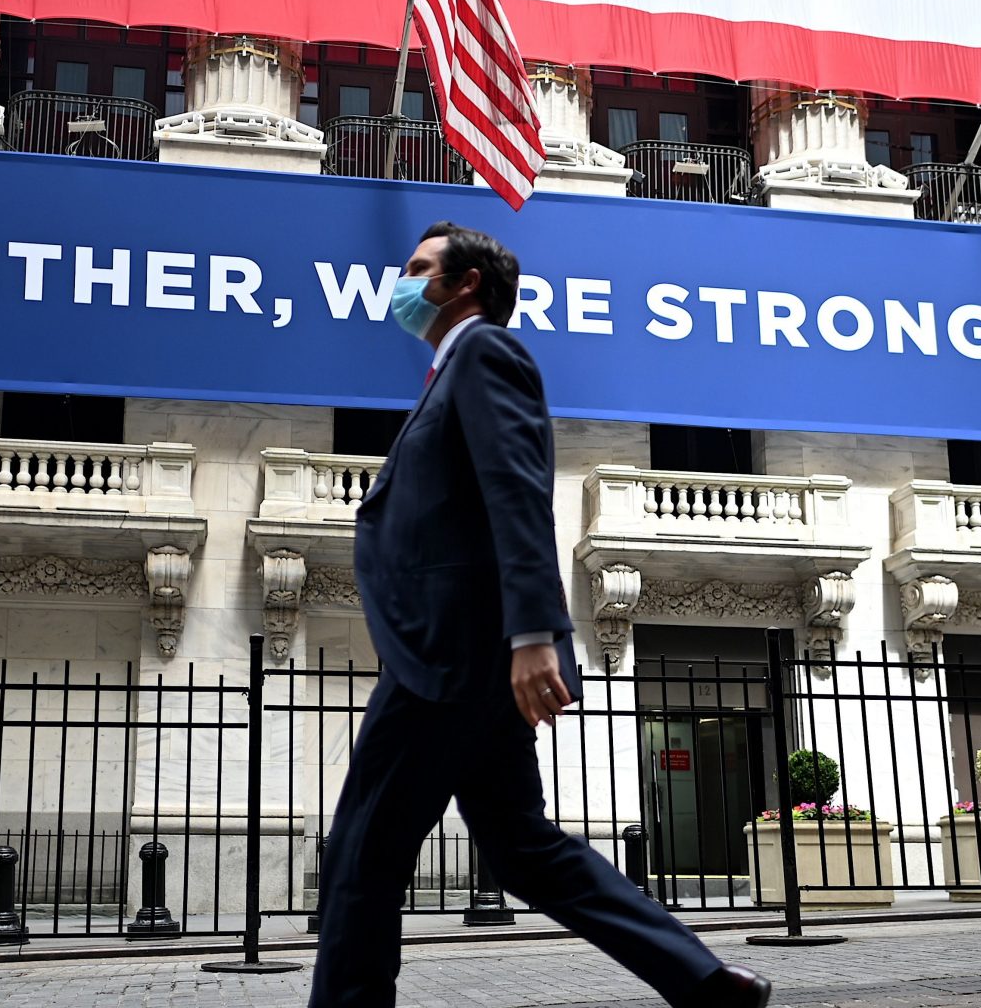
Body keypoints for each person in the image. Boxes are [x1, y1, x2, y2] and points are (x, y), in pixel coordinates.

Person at [307, 222, 770, 1008]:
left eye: (419, 268)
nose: (403, 282)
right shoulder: (448, 372)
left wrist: (531, 636)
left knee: (363, 850)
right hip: (471, 658)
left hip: (453, 658)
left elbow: (516, 493)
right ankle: (703, 982)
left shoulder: (485, 353)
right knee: (522, 848)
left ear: (466, 285)